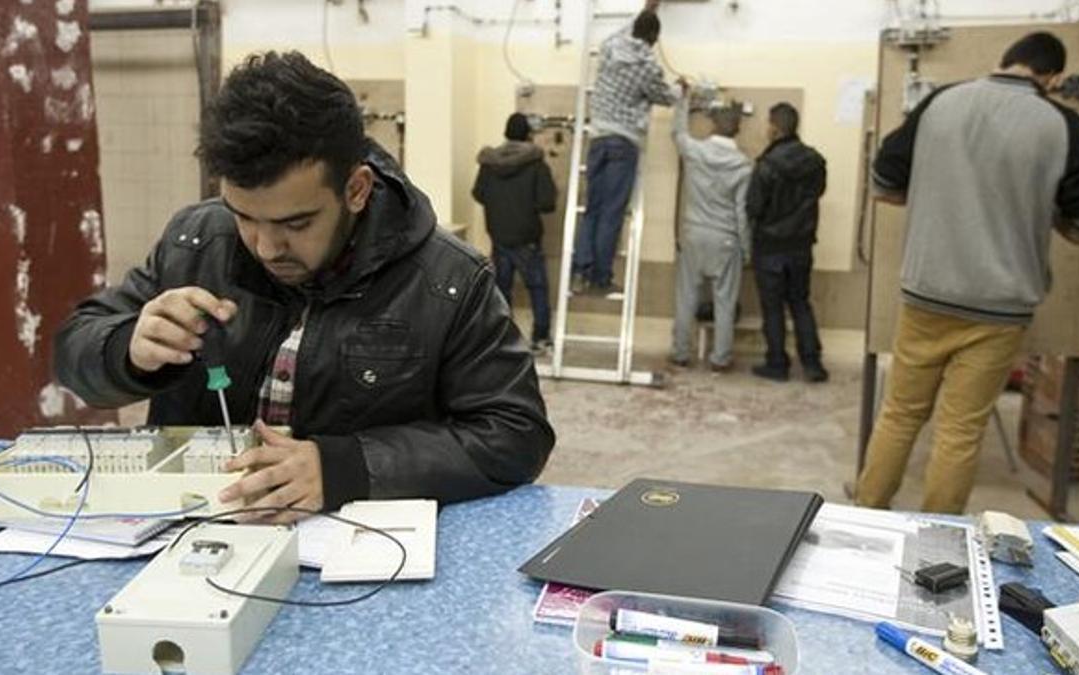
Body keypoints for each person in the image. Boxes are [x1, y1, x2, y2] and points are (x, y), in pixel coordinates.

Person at [54, 52, 555, 523]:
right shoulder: (197, 241)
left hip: (352, 549)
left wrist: (347, 468)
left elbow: (515, 434)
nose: (267, 247)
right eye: (244, 216)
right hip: (190, 529)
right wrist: (128, 349)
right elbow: (75, 350)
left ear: (355, 190)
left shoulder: (449, 281)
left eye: (296, 223)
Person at [855, 32, 1079, 514]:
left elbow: (884, 186)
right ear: (1052, 77)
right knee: (960, 428)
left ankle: (869, 509)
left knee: (901, 413)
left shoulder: (940, 104)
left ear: (1005, 60)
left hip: (926, 295)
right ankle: (940, 534)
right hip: (1000, 308)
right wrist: (1041, 212)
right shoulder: (1064, 126)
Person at [572, 0, 678, 295]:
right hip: (623, 143)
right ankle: (601, 277)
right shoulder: (648, 67)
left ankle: (580, 271)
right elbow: (666, 97)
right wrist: (683, 89)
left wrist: (647, 9)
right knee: (611, 213)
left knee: (592, 209)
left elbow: (626, 31)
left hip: (598, 140)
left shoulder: (609, 47)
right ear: (654, 40)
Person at [745, 103, 829, 383]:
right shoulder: (816, 162)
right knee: (800, 303)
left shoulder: (766, 166)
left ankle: (777, 363)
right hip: (802, 245)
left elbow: (753, 207)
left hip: (770, 247)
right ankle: (813, 363)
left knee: (773, 308)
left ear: (775, 128)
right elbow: (817, 193)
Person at [669, 94, 753, 372]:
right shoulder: (743, 166)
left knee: (686, 297)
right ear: (737, 129)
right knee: (725, 302)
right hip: (726, 237)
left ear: (713, 126)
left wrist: (683, 102)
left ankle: (681, 352)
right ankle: (720, 358)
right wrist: (746, 248)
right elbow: (742, 212)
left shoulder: (696, 151)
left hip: (694, 233)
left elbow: (677, 132)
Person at [473, 113, 557, 353]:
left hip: (499, 236)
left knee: (500, 290)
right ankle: (540, 338)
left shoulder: (489, 163)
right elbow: (546, 203)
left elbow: (478, 193)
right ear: (527, 134)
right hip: (527, 238)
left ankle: (502, 340)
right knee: (537, 288)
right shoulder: (536, 163)